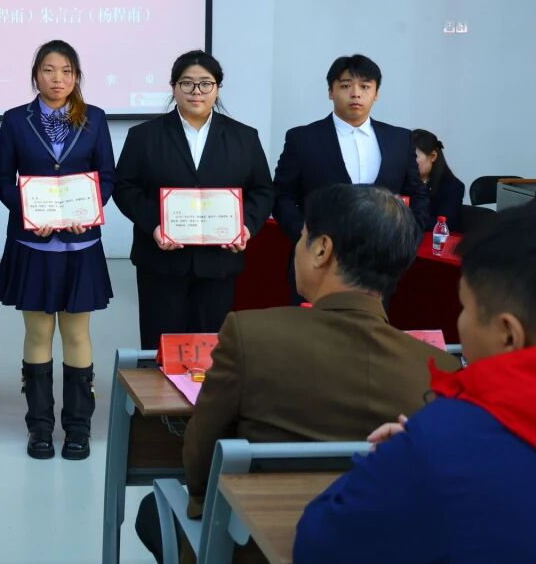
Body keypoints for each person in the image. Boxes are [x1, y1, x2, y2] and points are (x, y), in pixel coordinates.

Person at [134, 184, 459, 562]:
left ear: (323, 250)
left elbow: (200, 463)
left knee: (152, 510)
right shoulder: (441, 370)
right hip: (382, 551)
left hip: (255, 547)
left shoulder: (250, 335)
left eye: (303, 237)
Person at [294, 202, 536, 563]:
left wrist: (403, 458)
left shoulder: (447, 442)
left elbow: (321, 542)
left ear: (508, 334)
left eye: (465, 307)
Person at [0, 40, 115, 460]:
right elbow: (2, 180)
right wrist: (28, 211)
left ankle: (78, 428)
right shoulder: (15, 120)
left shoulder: (95, 118)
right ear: (36, 75)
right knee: (38, 333)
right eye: (48, 70)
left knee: (77, 333)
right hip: (34, 244)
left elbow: (107, 176)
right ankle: (40, 427)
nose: (57, 79)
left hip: (81, 243)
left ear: (76, 76)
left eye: (66, 71)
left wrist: (90, 209)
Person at [113, 51, 274, 351]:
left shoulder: (244, 137)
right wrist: (155, 225)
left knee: (210, 352)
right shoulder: (144, 136)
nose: (196, 91)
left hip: (219, 263)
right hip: (161, 262)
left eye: (205, 83)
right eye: (186, 83)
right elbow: (125, 188)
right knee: (161, 349)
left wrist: (246, 227)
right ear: (173, 87)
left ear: (217, 88)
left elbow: (263, 191)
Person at [273, 54, 429, 298]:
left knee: (367, 322)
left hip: (377, 265)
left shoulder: (400, 139)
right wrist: (306, 235)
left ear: (376, 93)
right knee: (310, 322)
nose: (356, 94)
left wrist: (409, 238)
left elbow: (417, 193)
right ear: (331, 91)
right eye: (346, 86)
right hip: (318, 261)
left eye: (365, 87)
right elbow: (281, 194)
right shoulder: (303, 138)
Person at [411, 128, 465, 231]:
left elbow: (444, 224)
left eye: (414, 156)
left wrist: (404, 221)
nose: (408, 161)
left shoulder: (452, 186)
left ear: (433, 156)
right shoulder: (402, 181)